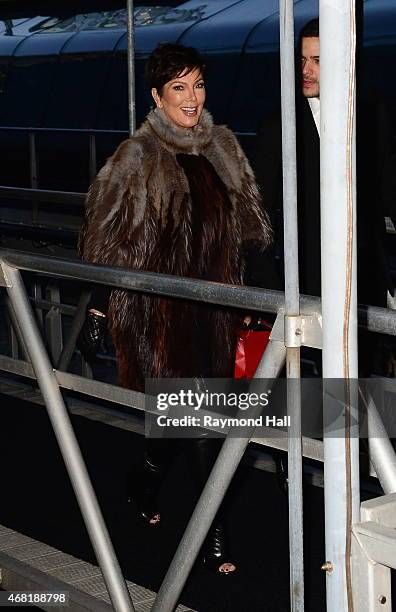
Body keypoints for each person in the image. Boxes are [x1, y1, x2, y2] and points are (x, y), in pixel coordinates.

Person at [78, 43, 271, 574]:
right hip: (160, 314)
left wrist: (251, 299)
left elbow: (250, 236)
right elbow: (105, 243)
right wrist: (98, 312)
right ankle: (214, 538)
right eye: (179, 88)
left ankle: (144, 474)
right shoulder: (136, 157)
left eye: (199, 85)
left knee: (187, 422)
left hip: (217, 312)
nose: (192, 98)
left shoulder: (223, 148)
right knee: (202, 421)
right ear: (158, 96)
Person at [254, 17, 396, 374]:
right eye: (302, 60)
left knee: (365, 394)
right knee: (318, 406)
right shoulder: (278, 127)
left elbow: (390, 192)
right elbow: (254, 219)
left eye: (317, 60)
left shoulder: (373, 113)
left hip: (365, 287)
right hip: (304, 293)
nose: (306, 70)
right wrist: (272, 294)